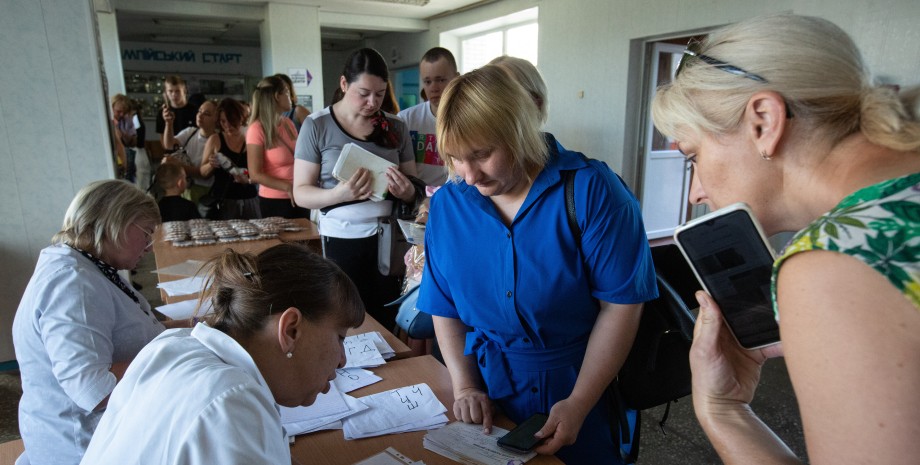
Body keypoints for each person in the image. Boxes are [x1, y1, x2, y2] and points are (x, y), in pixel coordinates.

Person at [650, 14, 920, 464]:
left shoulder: (837, 260)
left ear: (763, 121)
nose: (696, 193)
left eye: (692, 157)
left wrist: (723, 410)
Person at [416, 65, 658, 463]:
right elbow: (445, 307)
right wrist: (465, 387)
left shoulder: (591, 190)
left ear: (520, 130)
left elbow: (622, 307)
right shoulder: (449, 204)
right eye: (456, 158)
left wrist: (579, 402)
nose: (470, 174)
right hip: (491, 390)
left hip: (581, 382)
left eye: (481, 155)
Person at [80, 244, 366, 464]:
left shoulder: (171, 344)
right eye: (339, 337)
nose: (342, 359)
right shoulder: (233, 401)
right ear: (290, 329)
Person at [12, 180, 190, 465]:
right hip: (83, 448)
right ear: (113, 223)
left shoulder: (93, 267)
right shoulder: (72, 283)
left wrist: (194, 326)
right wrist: (178, 355)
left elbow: (134, 332)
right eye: (146, 233)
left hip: (109, 432)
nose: (148, 247)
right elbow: (93, 388)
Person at [293, 47, 419, 328]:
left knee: (387, 317)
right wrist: (340, 194)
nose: (372, 102)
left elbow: (415, 186)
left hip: (390, 238)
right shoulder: (317, 125)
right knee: (348, 317)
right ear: (343, 84)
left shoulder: (396, 126)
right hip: (341, 237)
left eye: (380, 93)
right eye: (363, 93)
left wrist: (407, 191)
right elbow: (300, 192)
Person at [247, 75, 308, 219]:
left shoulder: (287, 123)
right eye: (286, 92)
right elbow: (255, 174)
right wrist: (286, 187)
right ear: (276, 96)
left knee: (306, 239)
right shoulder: (256, 129)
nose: (291, 97)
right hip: (275, 200)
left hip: (299, 194)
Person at [397, 47, 459, 186]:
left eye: (441, 80)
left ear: (456, 78)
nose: (434, 88)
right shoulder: (405, 120)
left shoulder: (470, 120)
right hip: (416, 201)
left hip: (452, 201)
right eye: (427, 81)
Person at [200, 98, 260, 220]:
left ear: (241, 118)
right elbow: (202, 172)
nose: (227, 126)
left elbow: (261, 170)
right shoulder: (215, 139)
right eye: (223, 121)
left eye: (232, 121)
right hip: (223, 200)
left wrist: (248, 179)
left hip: (249, 199)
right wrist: (211, 165)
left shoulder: (251, 137)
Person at [162, 100, 219, 205]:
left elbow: (203, 174)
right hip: (184, 187)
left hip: (204, 191)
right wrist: (168, 124)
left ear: (216, 119)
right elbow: (169, 145)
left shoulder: (217, 140)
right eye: (199, 111)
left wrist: (179, 165)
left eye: (206, 114)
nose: (200, 115)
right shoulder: (191, 132)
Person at [155, 75, 198, 139]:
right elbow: (162, 138)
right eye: (170, 91)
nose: (174, 95)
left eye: (177, 91)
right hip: (171, 147)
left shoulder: (195, 111)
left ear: (184, 91)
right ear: (166, 93)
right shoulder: (163, 113)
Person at [111, 94, 137, 182]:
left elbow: (133, 142)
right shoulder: (108, 121)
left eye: (124, 112)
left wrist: (123, 135)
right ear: (112, 108)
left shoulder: (128, 119)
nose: (121, 114)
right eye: (118, 111)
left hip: (128, 156)